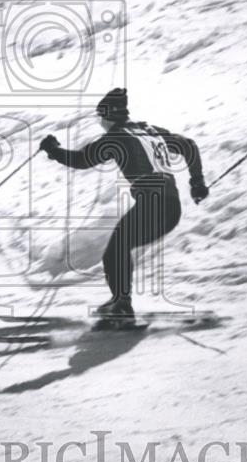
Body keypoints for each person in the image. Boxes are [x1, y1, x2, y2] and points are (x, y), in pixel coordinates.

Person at [40, 88, 209, 325]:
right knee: (119, 246)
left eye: (101, 118)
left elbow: (82, 160)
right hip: (172, 208)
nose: (101, 124)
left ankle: (121, 305)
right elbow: (188, 145)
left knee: (116, 248)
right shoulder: (150, 131)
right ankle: (120, 301)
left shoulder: (117, 136)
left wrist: (53, 150)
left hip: (153, 203)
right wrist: (197, 182)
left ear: (109, 116)